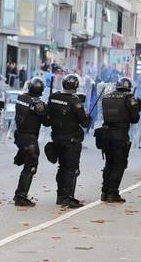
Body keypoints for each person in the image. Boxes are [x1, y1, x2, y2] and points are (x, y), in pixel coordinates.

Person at [48, 74, 90, 208]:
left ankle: (60, 195)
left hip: (57, 138)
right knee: (72, 169)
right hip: (71, 140)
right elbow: (84, 123)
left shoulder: (53, 97)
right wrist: (87, 116)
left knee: (62, 167)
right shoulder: (75, 101)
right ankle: (68, 197)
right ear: (76, 86)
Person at [100, 77, 141, 203]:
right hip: (120, 135)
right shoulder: (129, 98)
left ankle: (104, 192)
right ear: (128, 87)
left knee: (109, 163)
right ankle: (112, 193)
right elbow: (135, 119)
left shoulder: (106, 97)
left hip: (106, 134)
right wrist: (135, 108)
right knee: (119, 165)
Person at [13, 77, 49, 207]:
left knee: (27, 160)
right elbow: (47, 122)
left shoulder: (21, 98)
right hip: (29, 138)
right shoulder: (39, 105)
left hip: (19, 135)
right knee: (31, 167)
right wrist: (46, 109)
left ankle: (20, 157)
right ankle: (20, 196)